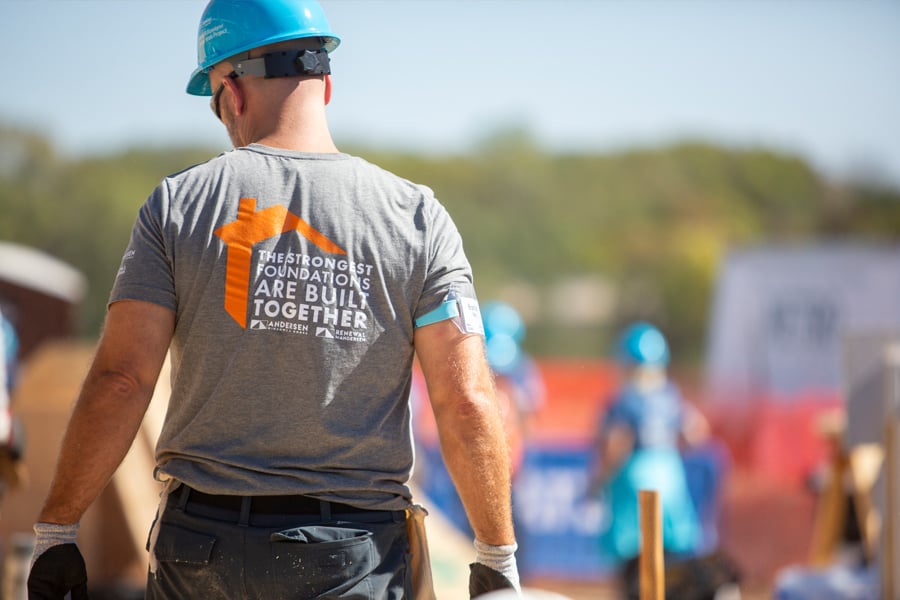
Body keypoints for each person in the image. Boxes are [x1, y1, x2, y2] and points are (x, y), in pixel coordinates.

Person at [26, 1, 519, 598]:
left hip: (200, 548)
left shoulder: (180, 205)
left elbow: (122, 380)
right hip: (353, 556)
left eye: (212, 100)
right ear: (325, 85)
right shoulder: (418, 218)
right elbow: (464, 399)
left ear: (233, 93)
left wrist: (58, 529)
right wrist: (495, 555)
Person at [588, 322, 707, 571]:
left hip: (633, 480)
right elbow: (696, 433)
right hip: (670, 475)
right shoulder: (671, 396)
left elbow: (616, 445)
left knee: (633, 561)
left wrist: (597, 481)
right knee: (672, 559)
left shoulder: (623, 400)